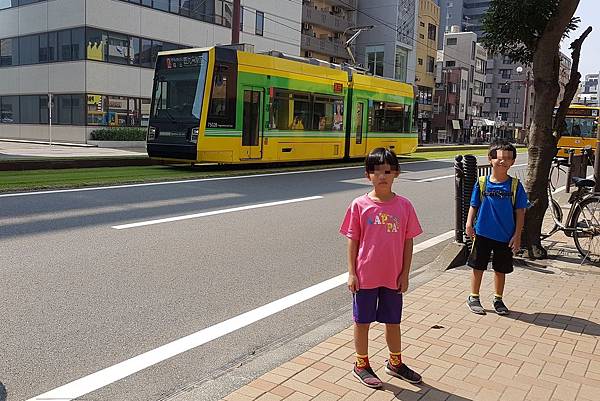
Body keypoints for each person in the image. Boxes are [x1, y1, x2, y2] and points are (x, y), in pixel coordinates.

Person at [340, 147, 423, 389]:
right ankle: (361, 364)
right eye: (376, 172)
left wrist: (405, 273)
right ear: (368, 175)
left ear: (396, 173)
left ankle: (395, 362)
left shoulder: (404, 206)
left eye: (387, 171)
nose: (382, 177)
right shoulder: (359, 205)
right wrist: (351, 272)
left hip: (393, 276)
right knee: (362, 321)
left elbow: (408, 241)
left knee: (393, 321)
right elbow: (352, 240)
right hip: (365, 276)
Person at [465, 140, 528, 316]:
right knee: (478, 266)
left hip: (505, 236)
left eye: (508, 158)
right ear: (490, 159)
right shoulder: (482, 182)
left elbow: (521, 211)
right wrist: (469, 223)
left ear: (513, 162)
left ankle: (498, 298)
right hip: (482, 233)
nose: (503, 161)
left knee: (501, 269)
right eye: (499, 158)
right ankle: (473, 296)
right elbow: (473, 204)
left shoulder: (515, 185)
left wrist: (517, 235)